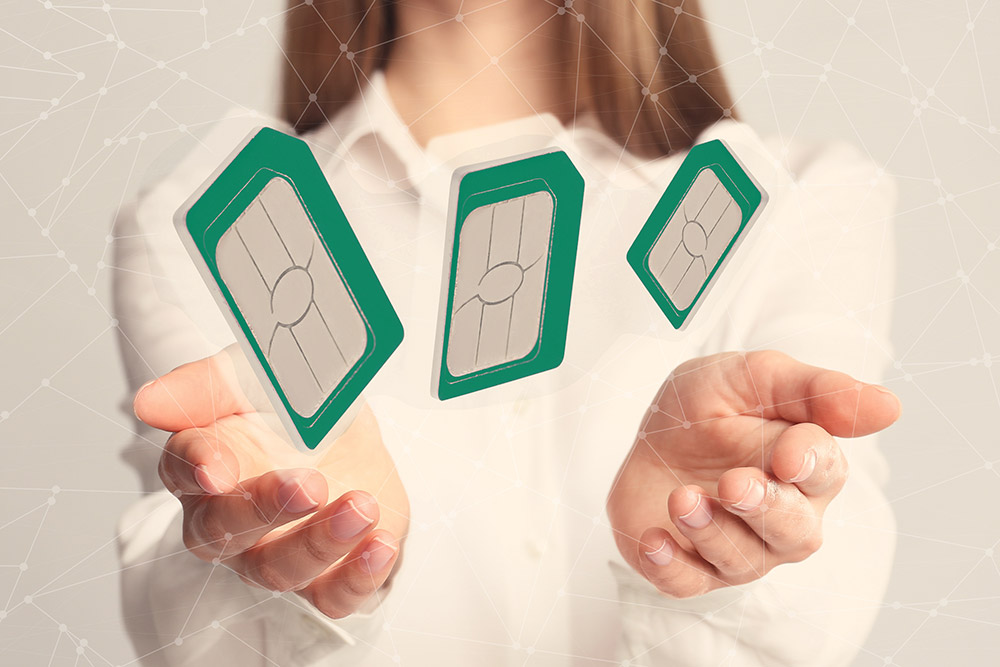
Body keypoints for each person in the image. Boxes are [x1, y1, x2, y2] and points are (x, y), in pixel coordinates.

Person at [113, 1, 901, 664]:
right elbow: (190, 615)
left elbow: (819, 602)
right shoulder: (205, 219)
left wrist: (711, 554)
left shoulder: (801, 203)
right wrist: (313, 556)